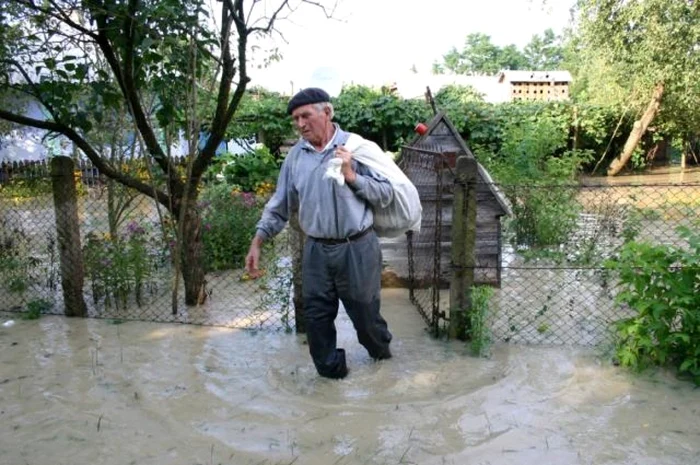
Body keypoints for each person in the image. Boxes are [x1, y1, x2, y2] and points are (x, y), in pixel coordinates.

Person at [245, 87, 393, 379]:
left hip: (357, 248)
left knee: (365, 318)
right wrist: (258, 241)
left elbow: (386, 193)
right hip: (316, 251)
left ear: (327, 113)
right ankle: (332, 381)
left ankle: (383, 361)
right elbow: (279, 205)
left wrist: (352, 176)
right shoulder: (295, 158)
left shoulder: (357, 148)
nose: (300, 124)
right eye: (295, 119)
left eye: (305, 116)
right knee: (316, 319)